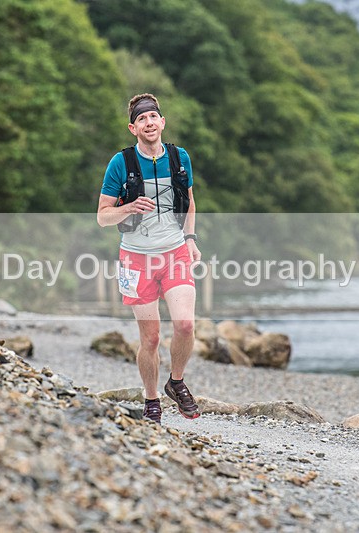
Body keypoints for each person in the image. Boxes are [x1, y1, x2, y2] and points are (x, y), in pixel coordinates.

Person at [97, 93, 201, 425]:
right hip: (136, 257)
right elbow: (102, 216)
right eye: (142, 119)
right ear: (133, 128)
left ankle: (177, 381)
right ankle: (151, 399)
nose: (149, 122)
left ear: (163, 122)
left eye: (154, 116)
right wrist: (128, 207)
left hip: (174, 251)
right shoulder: (121, 163)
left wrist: (191, 238)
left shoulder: (179, 157)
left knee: (185, 325)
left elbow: (190, 202)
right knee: (151, 337)